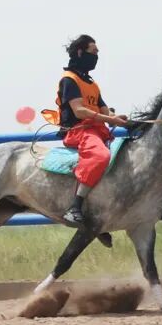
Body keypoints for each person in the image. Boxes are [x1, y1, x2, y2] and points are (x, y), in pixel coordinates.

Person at [54, 35, 128, 228]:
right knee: (101, 156)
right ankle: (75, 207)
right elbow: (79, 110)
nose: (97, 56)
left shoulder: (92, 83)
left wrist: (118, 118)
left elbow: (104, 110)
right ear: (80, 52)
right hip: (79, 130)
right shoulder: (69, 80)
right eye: (94, 52)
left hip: (97, 130)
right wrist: (111, 120)